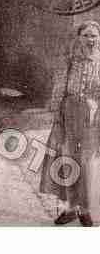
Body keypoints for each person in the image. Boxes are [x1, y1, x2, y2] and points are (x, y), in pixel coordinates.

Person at [40, 20, 100, 227]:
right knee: (68, 159)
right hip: (68, 113)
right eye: (86, 36)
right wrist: (57, 117)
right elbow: (59, 90)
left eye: (94, 35)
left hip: (93, 117)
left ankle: (85, 208)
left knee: (88, 162)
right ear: (79, 38)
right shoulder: (69, 61)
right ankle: (72, 208)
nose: (90, 40)